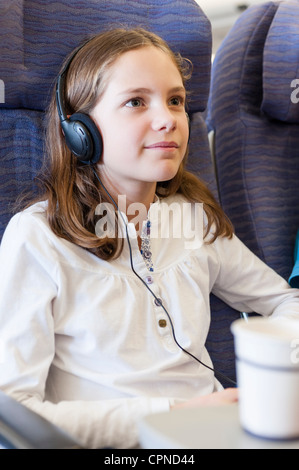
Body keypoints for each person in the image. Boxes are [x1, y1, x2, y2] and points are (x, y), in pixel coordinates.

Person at [0, 27, 298, 449]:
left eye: (175, 100)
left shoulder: (192, 220)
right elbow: (12, 411)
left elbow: (285, 303)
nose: (169, 119)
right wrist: (172, 416)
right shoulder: (39, 238)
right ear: (80, 130)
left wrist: (275, 368)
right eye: (136, 102)